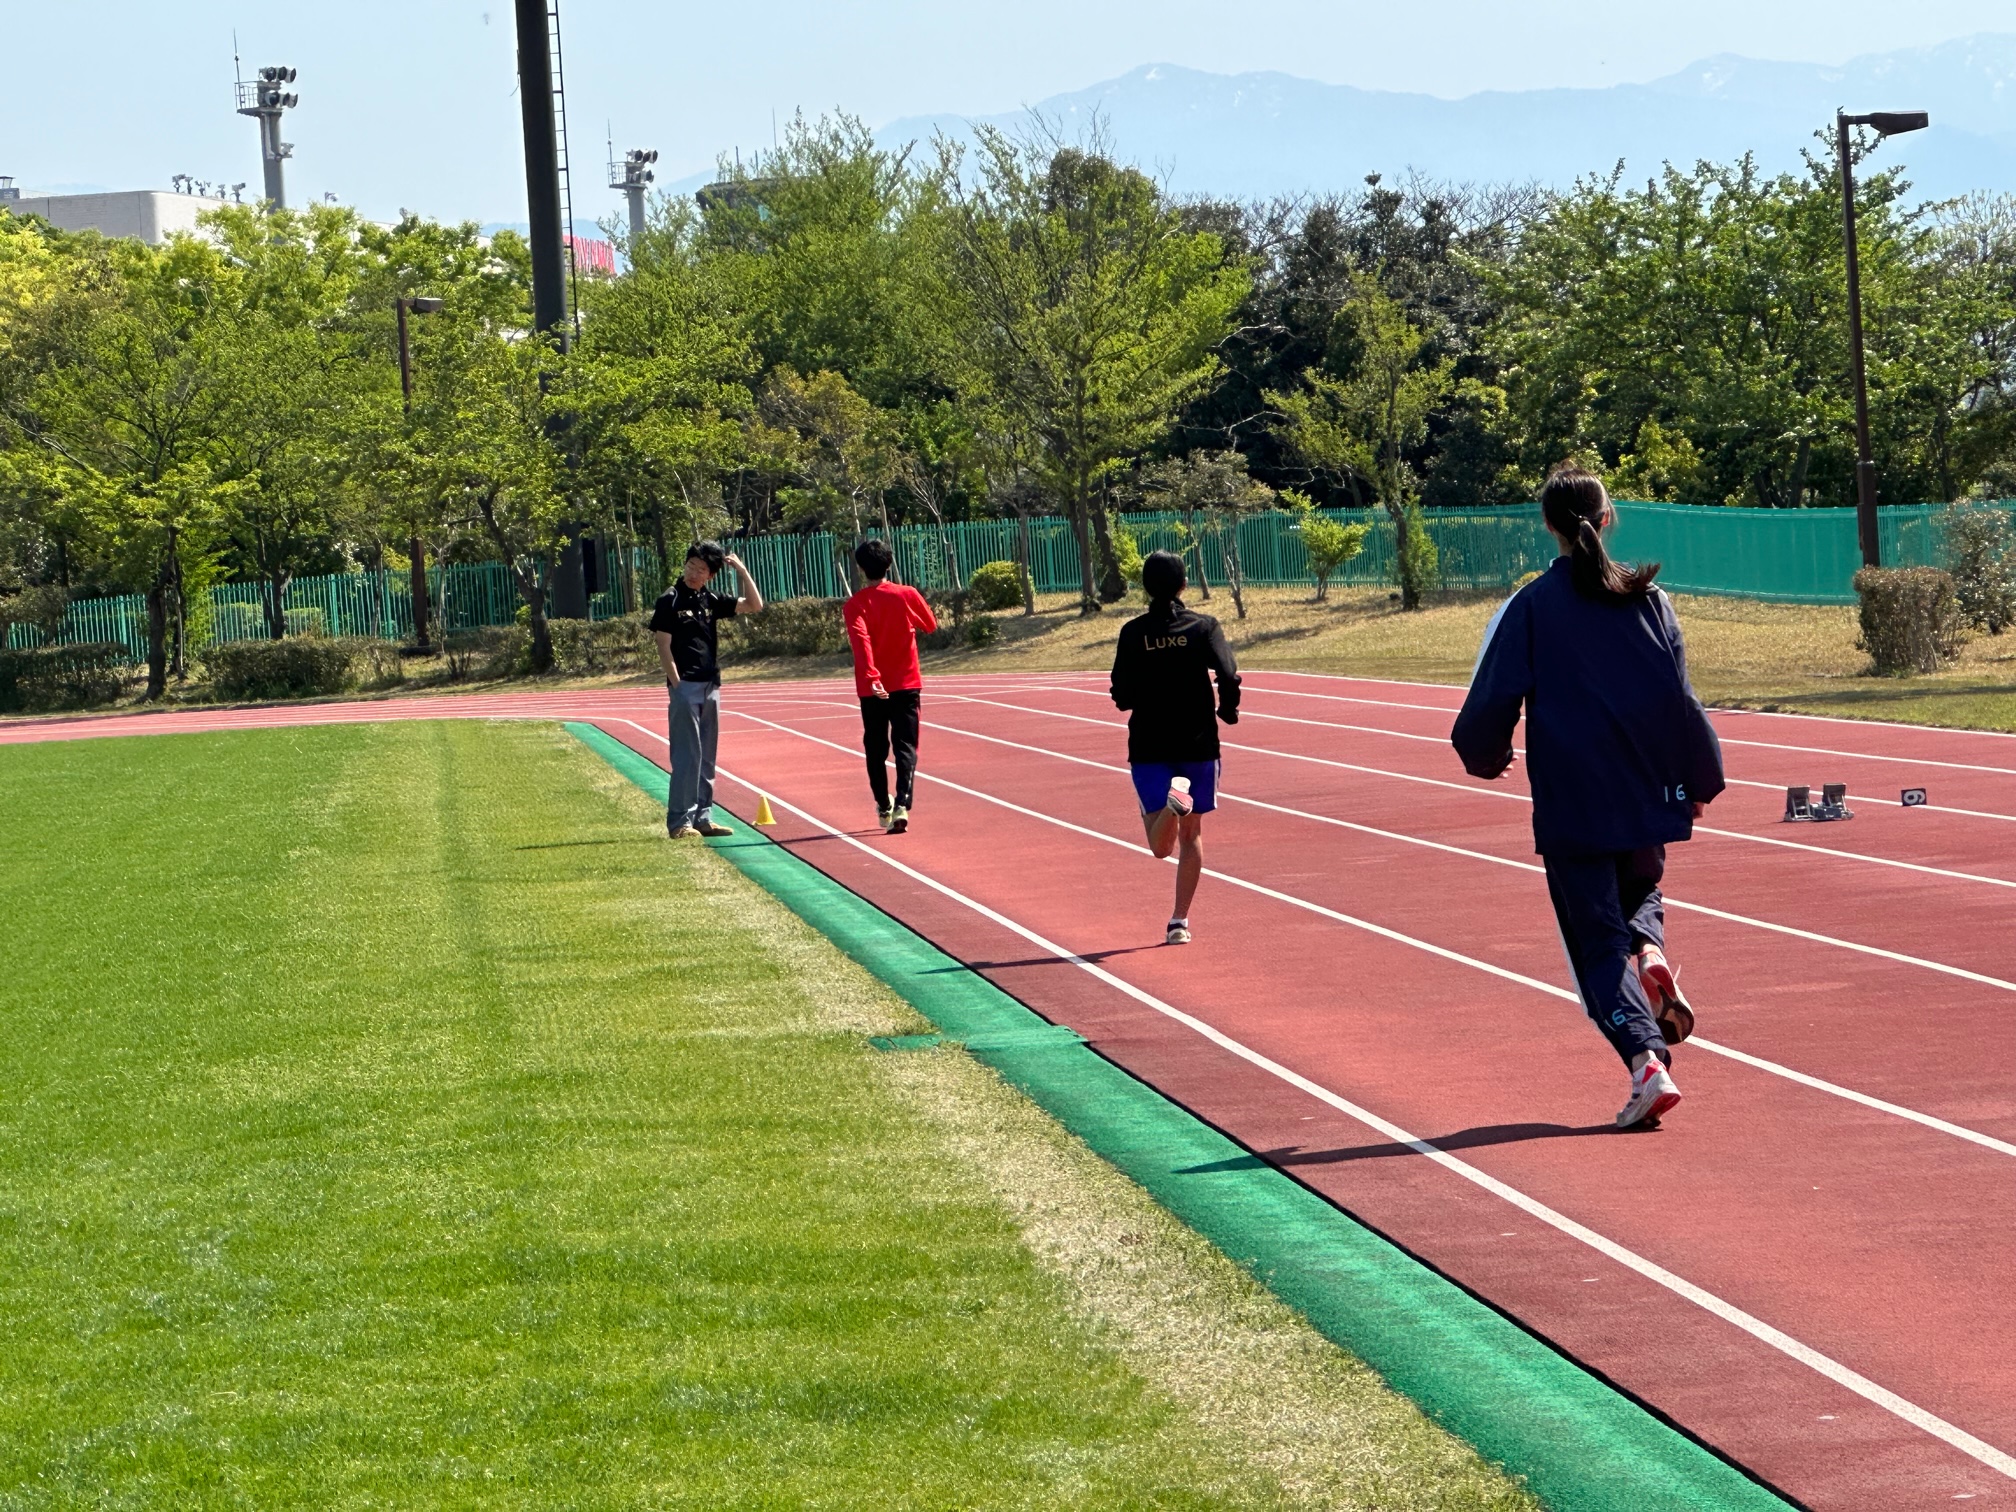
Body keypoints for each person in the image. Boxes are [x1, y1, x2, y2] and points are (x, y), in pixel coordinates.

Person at [1452, 466, 1725, 1129]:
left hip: (1576, 797)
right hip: (1646, 784)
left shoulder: (1534, 606)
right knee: (1640, 889)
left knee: (1596, 946)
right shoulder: (1651, 600)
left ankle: (1645, 1061)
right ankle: (1654, 953)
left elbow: (1492, 698)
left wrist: (1487, 754)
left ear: (1549, 526)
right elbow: (1676, 694)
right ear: (1608, 519)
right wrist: (1699, 777)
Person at [1110, 549, 1241, 945]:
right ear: (1184, 585)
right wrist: (1228, 710)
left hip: (1150, 743)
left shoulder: (1133, 633)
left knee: (1159, 847)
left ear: (1144, 588)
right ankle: (1179, 922)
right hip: (1198, 742)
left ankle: (1170, 803)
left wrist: (1135, 695)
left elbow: (1121, 694)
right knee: (1192, 834)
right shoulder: (1203, 627)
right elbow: (1229, 673)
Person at [650, 541, 764, 838]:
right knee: (687, 756)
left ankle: (703, 817)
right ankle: (680, 822)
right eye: (691, 565)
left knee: (707, 756)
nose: (693, 573)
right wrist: (676, 683)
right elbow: (663, 645)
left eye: (701, 569)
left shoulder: (710, 599)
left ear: (711, 574)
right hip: (685, 686)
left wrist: (742, 570)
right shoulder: (670, 599)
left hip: (710, 684)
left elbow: (755, 605)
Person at [843, 538, 938, 833]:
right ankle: (902, 804)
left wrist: (873, 679)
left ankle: (883, 804)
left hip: (873, 690)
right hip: (907, 682)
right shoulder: (906, 594)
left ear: (860, 568)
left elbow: (862, 644)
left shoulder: (855, 604)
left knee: (875, 746)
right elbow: (930, 625)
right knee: (906, 745)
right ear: (889, 563)